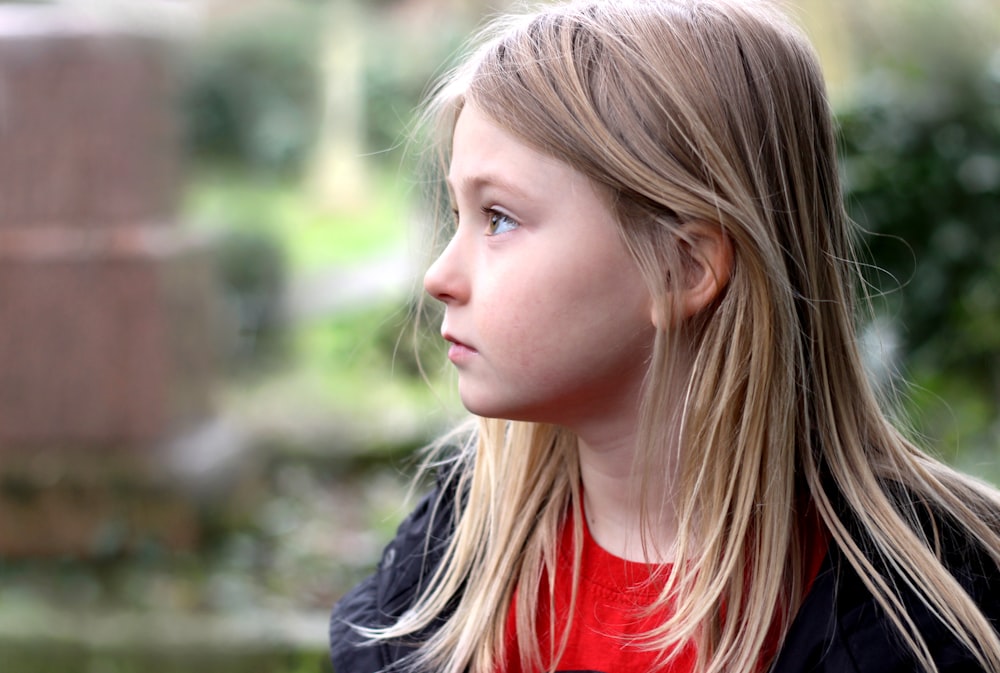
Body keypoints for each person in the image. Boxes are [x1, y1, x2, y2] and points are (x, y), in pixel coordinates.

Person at [329, 1, 1000, 671]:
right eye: (458, 213)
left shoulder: (921, 624)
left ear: (682, 267)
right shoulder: (452, 549)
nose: (438, 275)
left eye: (499, 217)